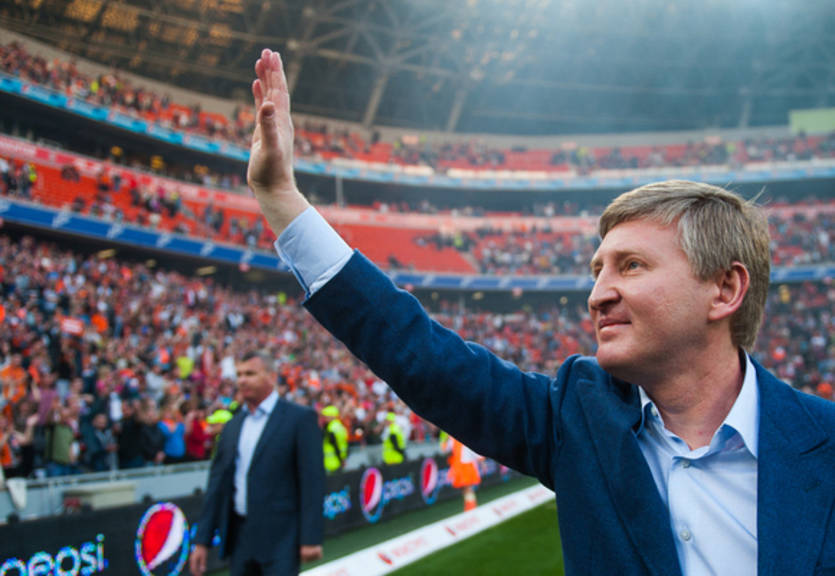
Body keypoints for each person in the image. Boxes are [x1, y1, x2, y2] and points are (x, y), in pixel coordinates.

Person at [243, 49, 835, 576]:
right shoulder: (579, 417)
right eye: (597, 270)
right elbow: (419, 353)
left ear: (725, 290)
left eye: (631, 266)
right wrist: (281, 200)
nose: (598, 294)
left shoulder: (825, 442)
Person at [190, 350, 324, 576]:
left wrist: (311, 538)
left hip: (281, 539)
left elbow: (312, 481)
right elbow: (217, 484)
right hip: (240, 538)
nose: (242, 380)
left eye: (250, 373)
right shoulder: (232, 426)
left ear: (271, 376)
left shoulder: (300, 418)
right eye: (239, 374)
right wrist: (202, 540)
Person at [440, 431, 482, 511]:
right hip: (459, 465)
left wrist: (480, 460)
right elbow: (445, 449)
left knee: (467, 487)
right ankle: (469, 505)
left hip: (467, 464)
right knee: (464, 488)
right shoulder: (452, 438)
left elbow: (473, 450)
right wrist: (443, 439)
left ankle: (472, 507)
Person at [321, 405, 347, 473]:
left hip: (331, 462)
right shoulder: (339, 426)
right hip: (339, 460)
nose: (325, 419)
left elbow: (335, 444)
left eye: (326, 417)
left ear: (332, 416)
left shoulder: (331, 428)